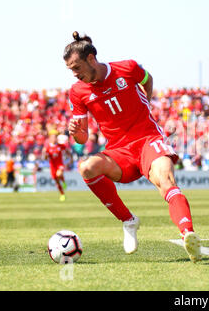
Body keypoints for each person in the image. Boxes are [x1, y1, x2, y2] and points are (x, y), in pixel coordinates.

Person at [64, 32, 201, 262]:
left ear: (90, 59)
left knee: (166, 182)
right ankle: (128, 221)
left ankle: (188, 234)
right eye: (71, 70)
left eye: (77, 67)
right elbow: (82, 137)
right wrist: (77, 134)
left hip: (148, 139)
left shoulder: (127, 68)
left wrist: (145, 100)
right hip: (119, 151)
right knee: (87, 167)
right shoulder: (78, 92)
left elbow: (147, 79)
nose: (75, 74)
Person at [42, 130, 73, 202]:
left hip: (60, 164)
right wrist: (45, 154)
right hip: (52, 166)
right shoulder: (47, 147)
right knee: (56, 181)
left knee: (59, 174)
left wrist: (70, 159)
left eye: (55, 137)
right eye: (53, 137)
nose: (54, 139)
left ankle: (63, 181)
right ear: (50, 138)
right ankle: (62, 194)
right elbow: (45, 158)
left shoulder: (61, 146)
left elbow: (68, 152)